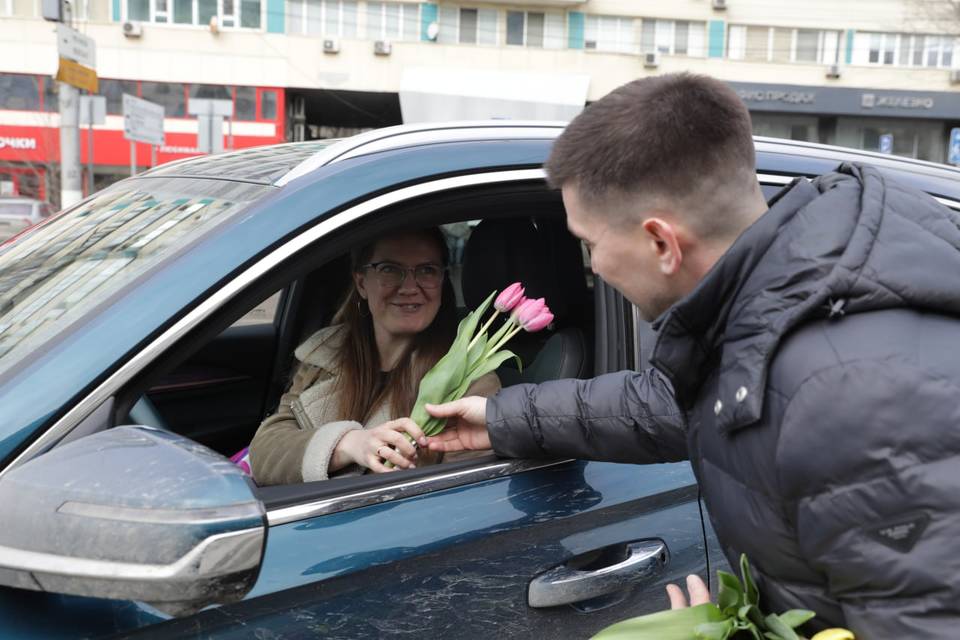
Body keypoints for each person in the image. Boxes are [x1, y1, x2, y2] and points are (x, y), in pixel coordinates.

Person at [425, 73, 960, 638]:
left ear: (661, 243)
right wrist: (503, 417)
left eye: (590, 244)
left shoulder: (857, 398)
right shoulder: (770, 307)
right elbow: (674, 402)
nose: (595, 268)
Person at [249, 227, 499, 486]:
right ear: (361, 283)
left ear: (441, 281)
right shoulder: (322, 353)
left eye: (427, 270)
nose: (410, 287)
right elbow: (266, 451)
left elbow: (463, 497)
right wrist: (346, 443)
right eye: (390, 269)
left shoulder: (470, 377)